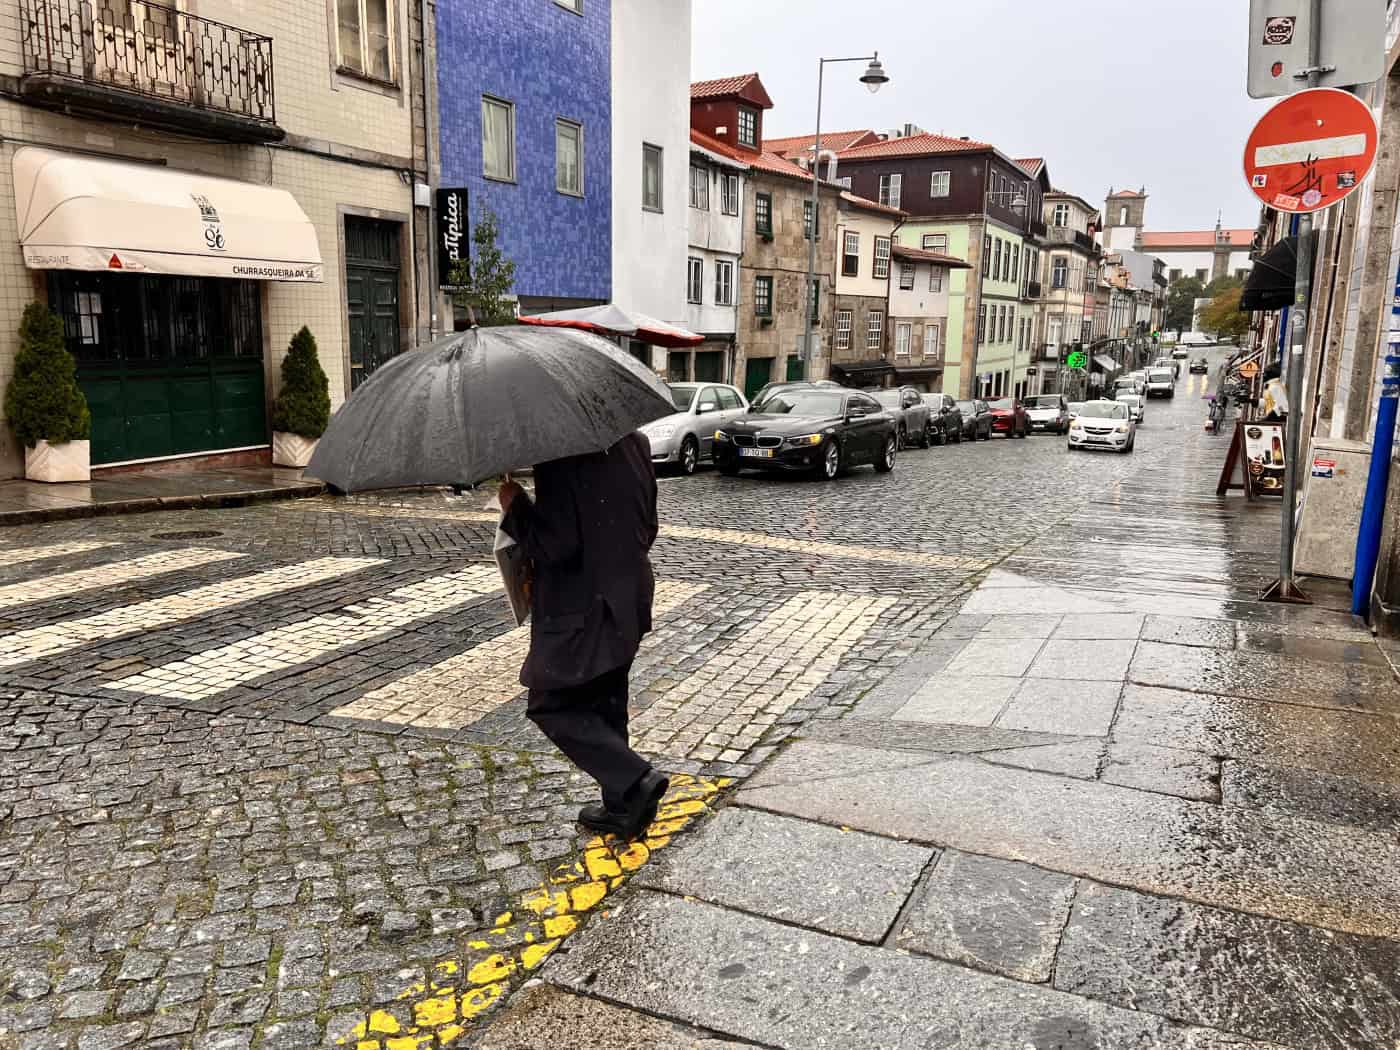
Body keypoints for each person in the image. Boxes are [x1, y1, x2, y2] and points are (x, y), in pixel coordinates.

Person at [497, 432, 668, 840]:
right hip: (628, 595)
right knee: (607, 700)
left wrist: (515, 506)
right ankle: (623, 807)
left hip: (581, 606)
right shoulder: (636, 443)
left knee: (550, 703)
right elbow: (649, 525)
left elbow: (556, 545)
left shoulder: (561, 454)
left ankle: (636, 778)